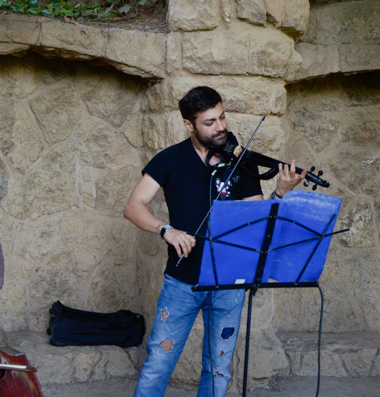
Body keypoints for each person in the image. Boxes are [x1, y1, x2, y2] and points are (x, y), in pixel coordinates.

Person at [123, 86, 306, 397]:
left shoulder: (240, 161)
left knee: (219, 370)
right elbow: (133, 206)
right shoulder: (170, 159)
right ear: (188, 125)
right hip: (182, 281)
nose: (220, 127)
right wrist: (167, 230)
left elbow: (258, 222)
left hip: (228, 283)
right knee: (158, 364)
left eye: (222, 118)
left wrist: (281, 192)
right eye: (209, 122)